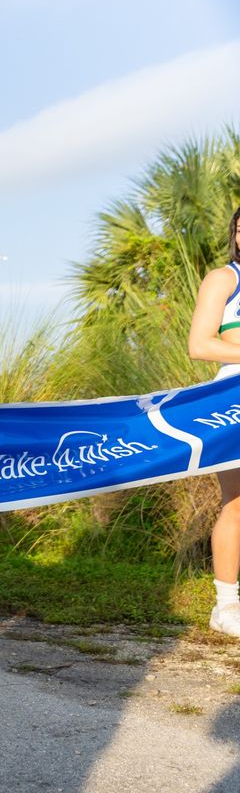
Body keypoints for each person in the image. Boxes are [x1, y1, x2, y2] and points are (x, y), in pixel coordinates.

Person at [187, 204, 240, 639]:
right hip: (233, 401)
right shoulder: (224, 278)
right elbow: (200, 345)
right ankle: (226, 605)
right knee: (237, 502)